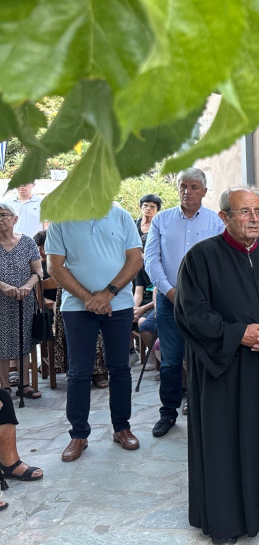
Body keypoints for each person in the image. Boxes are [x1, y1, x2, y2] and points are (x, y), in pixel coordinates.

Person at [174, 186, 259, 545]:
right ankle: (225, 518)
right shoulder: (201, 259)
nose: (254, 219)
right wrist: (239, 335)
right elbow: (191, 313)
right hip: (224, 372)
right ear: (224, 217)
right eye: (244, 212)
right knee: (223, 442)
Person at [47, 203, 144, 462]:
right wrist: (88, 298)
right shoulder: (61, 218)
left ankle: (122, 427)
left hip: (119, 304)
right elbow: (55, 266)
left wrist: (107, 293)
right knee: (79, 371)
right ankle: (78, 434)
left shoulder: (121, 216)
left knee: (120, 368)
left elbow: (135, 258)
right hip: (77, 307)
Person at [144, 169, 224, 438]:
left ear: (203, 191)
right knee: (170, 360)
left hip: (204, 303)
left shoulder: (215, 222)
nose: (187, 191)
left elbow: (222, 261)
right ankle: (168, 413)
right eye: (182, 186)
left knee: (202, 356)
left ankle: (202, 410)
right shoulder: (161, 221)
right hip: (170, 301)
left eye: (193, 187)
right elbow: (151, 260)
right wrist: (168, 292)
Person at [0, 202, 43, 400]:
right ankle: (5, 387)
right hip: (1, 301)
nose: (0, 219)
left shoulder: (27, 242)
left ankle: (25, 384)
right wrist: (4, 286)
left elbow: (38, 271)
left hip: (24, 300)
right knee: (1, 342)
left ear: (15, 219)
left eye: (4, 215)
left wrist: (28, 285)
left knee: (24, 341)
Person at [132, 194, 161, 365]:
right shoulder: (140, 266)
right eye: (145, 205)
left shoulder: (162, 264)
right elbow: (138, 290)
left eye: (152, 206)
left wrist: (142, 309)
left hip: (155, 303)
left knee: (143, 321)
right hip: (145, 300)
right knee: (126, 314)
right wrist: (134, 308)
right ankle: (130, 352)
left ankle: (155, 354)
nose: (147, 209)